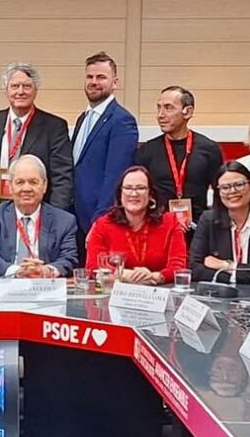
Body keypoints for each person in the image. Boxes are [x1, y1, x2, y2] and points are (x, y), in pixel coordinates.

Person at [0, 63, 73, 210]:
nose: (20, 92)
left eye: (27, 86)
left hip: (36, 209)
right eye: (14, 86)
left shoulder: (54, 127)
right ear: (6, 90)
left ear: (35, 90)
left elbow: (62, 178)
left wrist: (55, 216)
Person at [70, 52, 139, 237]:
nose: (94, 82)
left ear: (115, 83)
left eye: (101, 77)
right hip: (75, 219)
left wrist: (100, 221)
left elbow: (115, 177)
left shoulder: (122, 121)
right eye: (89, 77)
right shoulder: (82, 119)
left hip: (98, 221)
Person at [0, 154, 78, 278]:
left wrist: (46, 271)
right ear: (10, 186)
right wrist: (18, 271)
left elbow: (69, 258)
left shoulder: (64, 221)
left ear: (44, 185)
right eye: (20, 182)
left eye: (33, 182)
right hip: (6, 286)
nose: (26, 188)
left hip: (45, 286)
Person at [136, 86, 223, 228]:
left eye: (168, 108)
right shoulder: (147, 151)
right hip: (157, 227)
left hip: (198, 228)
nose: (160, 115)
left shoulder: (209, 149)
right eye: (159, 108)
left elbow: (221, 193)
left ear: (187, 112)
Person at [86, 165, 188, 284]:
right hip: (116, 291)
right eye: (128, 188)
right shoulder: (102, 225)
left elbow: (178, 266)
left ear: (151, 194)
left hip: (159, 290)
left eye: (140, 188)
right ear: (120, 194)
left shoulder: (171, 222)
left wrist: (156, 276)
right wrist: (125, 274)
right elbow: (93, 266)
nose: (134, 194)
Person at [189, 161, 250, 284]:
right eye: (225, 187)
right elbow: (194, 268)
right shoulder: (208, 220)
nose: (233, 191)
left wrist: (228, 266)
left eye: (239, 185)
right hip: (220, 293)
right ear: (218, 192)